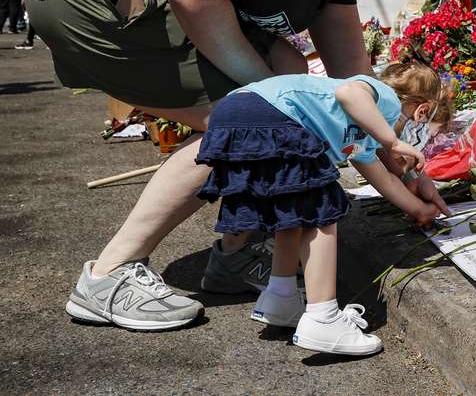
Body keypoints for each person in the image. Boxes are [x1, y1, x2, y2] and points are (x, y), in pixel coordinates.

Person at [26, 0, 451, 330]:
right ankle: (108, 276)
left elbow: (350, 90)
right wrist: (269, 98)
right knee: (253, 126)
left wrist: (402, 172)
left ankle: (235, 256)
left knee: (275, 111)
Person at [68, 61, 452, 352]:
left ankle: (280, 299)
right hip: (274, 117)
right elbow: (350, 94)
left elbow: (378, 174)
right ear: (421, 111)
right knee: (322, 214)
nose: (413, 138)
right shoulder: (379, 99)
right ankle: (323, 317)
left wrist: (417, 207)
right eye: (426, 130)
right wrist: (396, 141)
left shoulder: (362, 131)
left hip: (241, 112)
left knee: (291, 213)